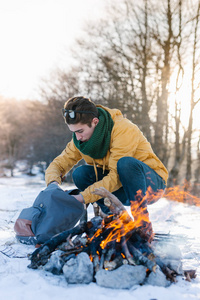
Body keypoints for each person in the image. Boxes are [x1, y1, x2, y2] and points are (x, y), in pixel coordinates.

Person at [45, 96, 168, 242]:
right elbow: (59, 163)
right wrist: (53, 182)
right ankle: (112, 222)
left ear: (94, 122)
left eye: (80, 131)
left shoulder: (123, 129)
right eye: (73, 132)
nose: (77, 137)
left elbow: (115, 176)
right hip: (122, 189)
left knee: (125, 163)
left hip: (151, 186)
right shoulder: (81, 139)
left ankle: (143, 225)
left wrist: (83, 197)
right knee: (81, 174)